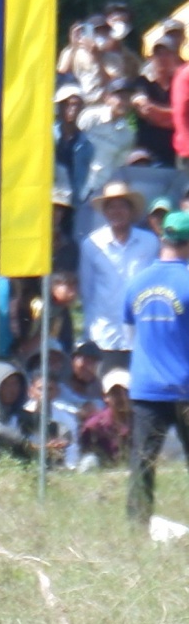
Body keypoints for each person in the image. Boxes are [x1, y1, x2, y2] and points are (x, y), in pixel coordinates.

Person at [121, 210, 189, 525]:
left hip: (146, 386)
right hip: (185, 387)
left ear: (163, 238)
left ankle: (137, 526)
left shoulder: (137, 282)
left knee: (142, 462)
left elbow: (129, 335)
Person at [79, 180, 159, 367]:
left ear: (131, 210)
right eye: (111, 207)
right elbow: (87, 290)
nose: (117, 211)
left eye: (122, 206)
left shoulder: (150, 242)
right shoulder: (92, 244)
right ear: (105, 212)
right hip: (104, 334)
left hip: (141, 332)